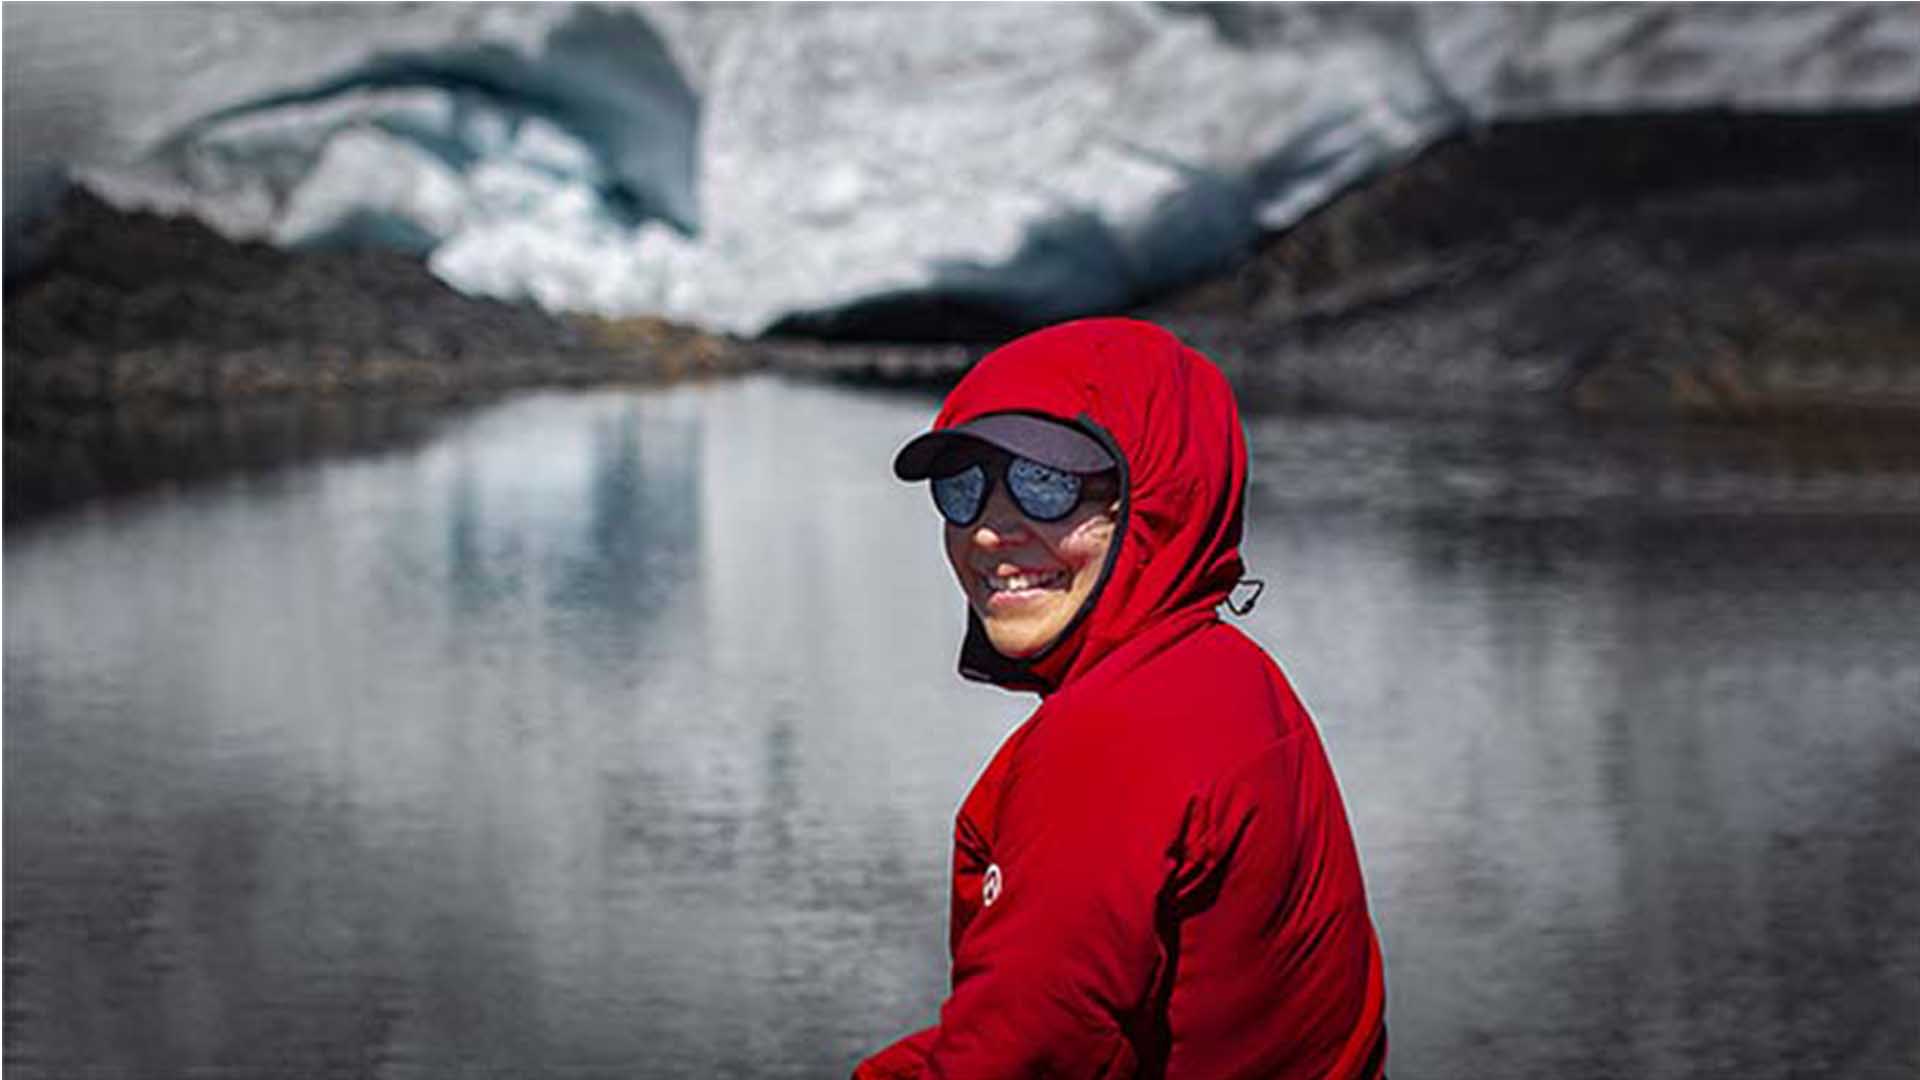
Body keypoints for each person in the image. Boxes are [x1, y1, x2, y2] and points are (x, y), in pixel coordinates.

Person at [855, 318, 1386, 1079]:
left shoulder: (1115, 740)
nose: (987, 532)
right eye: (963, 487)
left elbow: (1023, 1055)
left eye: (1048, 485)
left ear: (1155, 503)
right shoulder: (1225, 675)